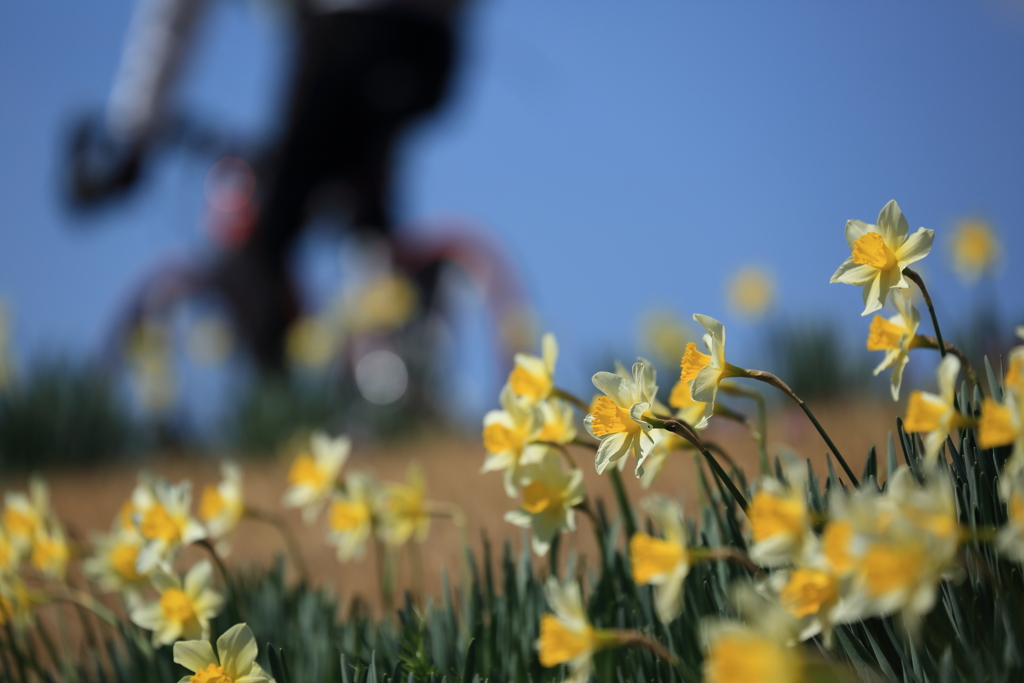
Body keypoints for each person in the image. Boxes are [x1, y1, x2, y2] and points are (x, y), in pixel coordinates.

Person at [68, 0, 469, 372]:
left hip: (344, 26)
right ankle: (402, 344)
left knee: (264, 247)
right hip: (435, 39)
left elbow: (174, 16)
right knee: (360, 191)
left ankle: (283, 397)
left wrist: (135, 130)